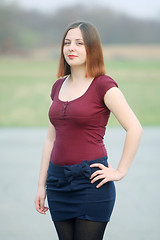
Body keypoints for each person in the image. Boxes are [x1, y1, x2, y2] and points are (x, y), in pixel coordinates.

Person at [35, 21, 142, 240]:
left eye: (79, 43)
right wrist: (41, 185)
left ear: (92, 48)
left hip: (91, 183)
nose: (71, 48)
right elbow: (50, 139)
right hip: (57, 183)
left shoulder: (104, 85)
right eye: (67, 43)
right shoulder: (57, 87)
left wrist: (120, 171)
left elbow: (134, 128)